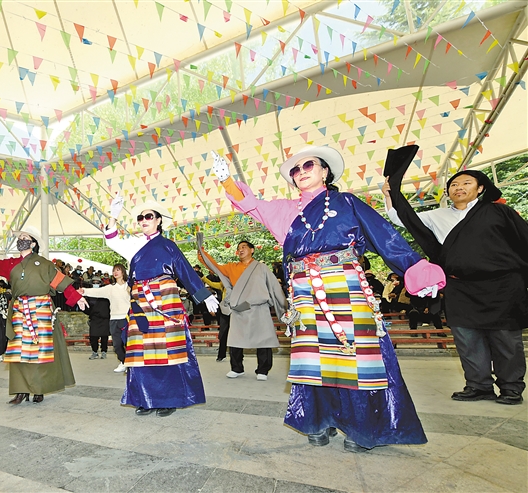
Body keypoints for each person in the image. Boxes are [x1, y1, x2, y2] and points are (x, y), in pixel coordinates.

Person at [211, 146, 445, 451]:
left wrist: (415, 268)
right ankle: (318, 420)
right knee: (312, 360)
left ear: (325, 172)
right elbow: (251, 205)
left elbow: (384, 234)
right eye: (295, 170)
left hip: (345, 284)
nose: (301, 172)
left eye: (309, 165)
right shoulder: (285, 210)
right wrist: (227, 180)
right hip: (304, 290)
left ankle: (362, 427)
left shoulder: (346, 201)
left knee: (355, 357)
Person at [383, 147, 528, 405]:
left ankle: (511, 388)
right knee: (467, 338)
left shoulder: (499, 212)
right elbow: (402, 218)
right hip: (459, 288)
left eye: (466, 183)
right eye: (453, 185)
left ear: (480, 188)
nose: (458, 187)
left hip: (502, 286)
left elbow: (523, 242)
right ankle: (478, 386)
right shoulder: (437, 216)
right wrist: (389, 194)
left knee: (506, 339)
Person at [103, 195, 220, 417]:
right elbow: (112, 240)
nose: (143, 220)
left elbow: (185, 271)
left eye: (148, 216)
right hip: (140, 303)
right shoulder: (134, 244)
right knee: (140, 353)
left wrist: (205, 295)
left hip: (166, 302)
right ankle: (145, 399)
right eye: (140, 218)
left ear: (158, 220)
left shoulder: (168, 246)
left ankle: (169, 399)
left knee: (169, 351)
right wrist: (113, 216)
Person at [0, 227, 88, 404]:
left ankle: (39, 389)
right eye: (19, 237)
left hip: (41, 310)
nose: (21, 239)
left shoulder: (44, 264)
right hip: (19, 310)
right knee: (18, 351)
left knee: (41, 351)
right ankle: (21, 390)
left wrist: (77, 298)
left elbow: (61, 282)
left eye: (24, 237)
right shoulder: (11, 264)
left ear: (33, 243)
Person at [198, 239, 287, 381]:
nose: (240, 249)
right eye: (239, 248)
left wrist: (284, 304)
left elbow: (274, 286)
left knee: (263, 340)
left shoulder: (261, 267)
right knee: (235, 340)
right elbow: (214, 266)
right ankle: (236, 368)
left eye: (244, 247)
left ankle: (263, 370)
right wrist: (202, 253)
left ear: (252, 250)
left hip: (259, 308)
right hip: (239, 309)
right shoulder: (231, 267)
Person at [79, 263, 131, 373]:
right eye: (114, 270)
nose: (115, 272)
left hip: (126, 318)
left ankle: (130, 364)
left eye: (118, 270)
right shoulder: (110, 288)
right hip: (114, 319)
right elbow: (97, 291)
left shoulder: (129, 286)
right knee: (117, 345)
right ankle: (124, 362)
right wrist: (84, 291)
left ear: (123, 272)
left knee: (128, 343)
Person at [81, 293, 111, 360]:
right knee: (93, 337)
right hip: (94, 319)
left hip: (105, 318)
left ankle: (104, 352)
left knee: (104, 337)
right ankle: (94, 352)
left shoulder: (106, 295)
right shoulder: (90, 297)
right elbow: (87, 308)